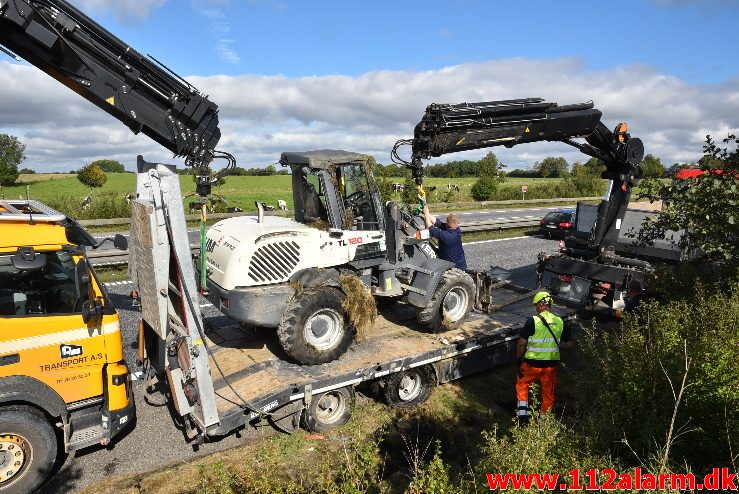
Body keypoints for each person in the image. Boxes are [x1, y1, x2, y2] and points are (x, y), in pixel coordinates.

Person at [515, 291, 573, 424]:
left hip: (531, 365)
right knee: (548, 393)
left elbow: (521, 344)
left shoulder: (532, 321)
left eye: (536, 305)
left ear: (542, 305)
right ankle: (544, 423)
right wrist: (559, 348)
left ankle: (523, 418)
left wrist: (519, 360)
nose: (536, 308)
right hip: (550, 367)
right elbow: (569, 344)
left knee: (522, 384)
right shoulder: (559, 321)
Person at [422, 205, 467, 270]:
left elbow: (431, 228)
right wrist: (427, 213)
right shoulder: (457, 230)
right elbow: (438, 223)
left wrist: (426, 214)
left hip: (455, 269)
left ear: (446, 223)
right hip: (459, 265)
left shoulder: (447, 236)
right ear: (457, 224)